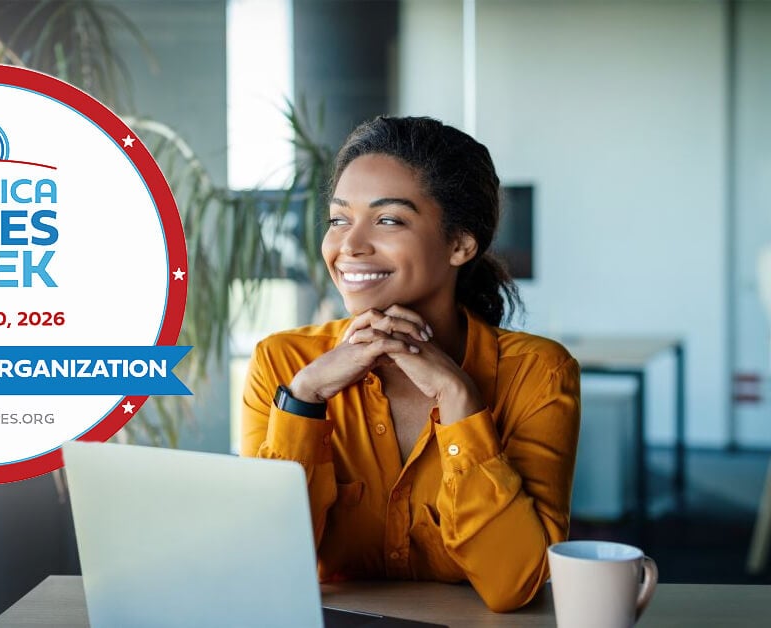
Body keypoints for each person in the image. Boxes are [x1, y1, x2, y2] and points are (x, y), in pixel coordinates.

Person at [240, 116, 580, 613]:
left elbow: (515, 584)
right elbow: (261, 566)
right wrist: (304, 401)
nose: (349, 246)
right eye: (339, 219)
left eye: (388, 220)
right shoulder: (286, 365)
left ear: (461, 244)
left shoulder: (539, 373)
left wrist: (460, 402)